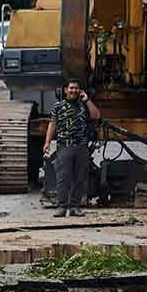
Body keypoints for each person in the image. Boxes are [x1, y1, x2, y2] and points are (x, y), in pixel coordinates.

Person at [43, 79, 101, 217]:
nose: (73, 90)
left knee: (79, 177)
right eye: (71, 88)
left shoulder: (84, 106)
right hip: (65, 146)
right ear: (65, 90)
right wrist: (47, 142)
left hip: (81, 146)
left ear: (80, 91)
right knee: (63, 177)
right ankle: (61, 206)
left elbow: (96, 115)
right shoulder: (58, 106)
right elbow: (52, 125)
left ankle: (74, 207)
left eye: (76, 88)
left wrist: (87, 100)